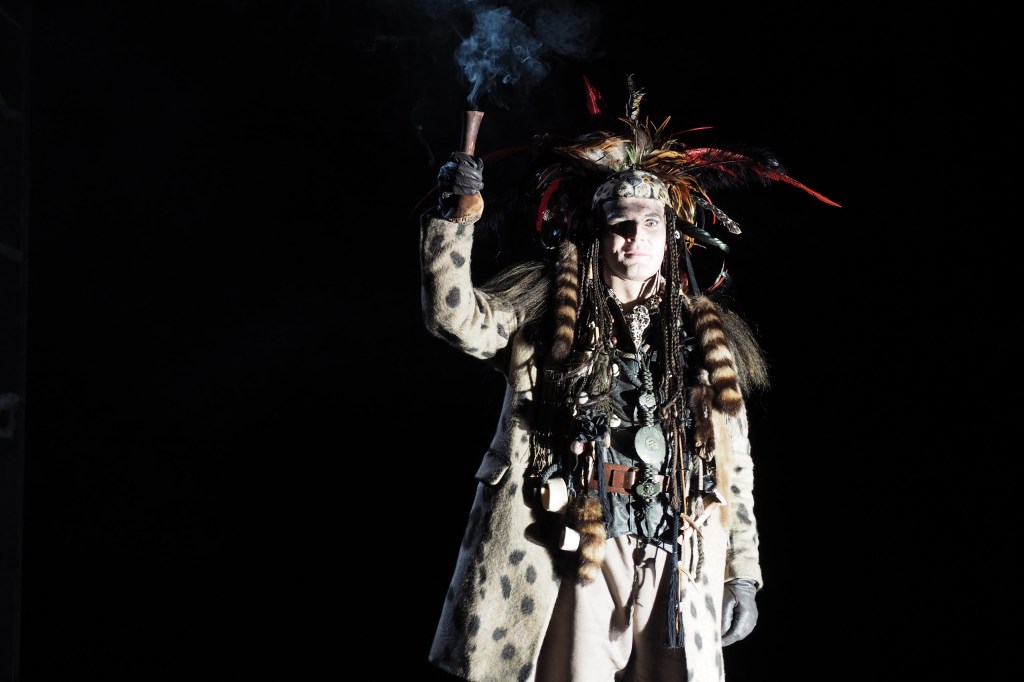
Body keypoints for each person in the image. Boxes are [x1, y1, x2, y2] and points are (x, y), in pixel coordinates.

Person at [419, 77, 837, 682]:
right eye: (621, 224)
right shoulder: (544, 307)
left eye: (652, 223)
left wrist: (742, 573)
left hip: (679, 550)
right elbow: (454, 319)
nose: (637, 238)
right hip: (578, 546)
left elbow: (734, 461)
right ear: (597, 231)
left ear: (671, 235)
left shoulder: (703, 334)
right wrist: (455, 219)